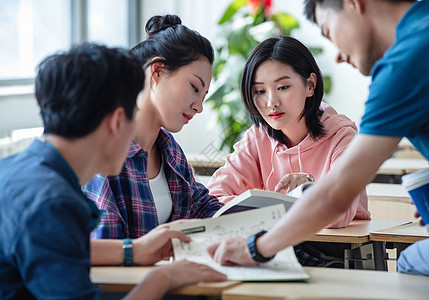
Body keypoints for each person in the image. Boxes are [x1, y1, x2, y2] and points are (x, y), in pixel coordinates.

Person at [207, 0, 429, 280]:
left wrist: (255, 248)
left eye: (328, 31)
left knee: (409, 262)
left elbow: (336, 197)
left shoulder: (404, 65)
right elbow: (217, 193)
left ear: (353, 4)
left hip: (326, 250)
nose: (336, 55)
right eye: (259, 91)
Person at [0, 43, 226, 299]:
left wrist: (134, 249)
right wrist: (165, 277)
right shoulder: (54, 204)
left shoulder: (11, 170)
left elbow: (57, 248)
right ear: (118, 121)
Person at [82, 15, 222, 240]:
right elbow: (104, 245)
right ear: (157, 72)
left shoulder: (169, 150)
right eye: (195, 88)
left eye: (204, 96)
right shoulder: (104, 152)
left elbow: (201, 206)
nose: (199, 107)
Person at [207, 36, 370, 230]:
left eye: (283, 87)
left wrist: (308, 189)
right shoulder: (258, 138)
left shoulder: (342, 137)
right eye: (259, 91)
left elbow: (338, 213)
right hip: (277, 249)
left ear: (310, 85)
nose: (271, 102)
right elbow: (214, 197)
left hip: (336, 252)